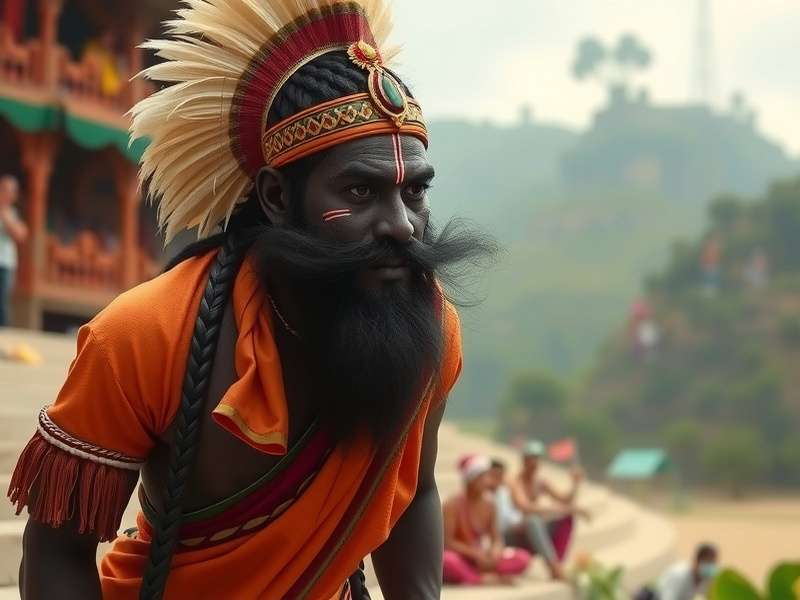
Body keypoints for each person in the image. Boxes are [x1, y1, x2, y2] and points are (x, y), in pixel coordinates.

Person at [8, 1, 495, 598]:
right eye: (359, 191)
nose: (401, 224)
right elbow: (56, 549)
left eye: (414, 192)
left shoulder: (432, 325)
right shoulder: (143, 334)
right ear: (276, 197)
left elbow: (414, 491)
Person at [505, 441, 590, 579]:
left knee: (566, 518)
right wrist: (566, 508)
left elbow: (564, 499)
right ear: (524, 460)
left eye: (537, 459)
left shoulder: (540, 482)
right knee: (533, 520)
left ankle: (557, 563)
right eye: (531, 458)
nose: (534, 463)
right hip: (514, 533)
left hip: (534, 531)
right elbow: (525, 506)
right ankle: (553, 567)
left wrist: (575, 484)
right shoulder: (515, 481)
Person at [442, 455, 530, 586]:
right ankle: (481, 579)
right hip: (461, 557)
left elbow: (496, 538)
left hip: (482, 559)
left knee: (522, 557)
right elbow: (448, 542)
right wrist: (475, 554)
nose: (487, 481)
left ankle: (476, 575)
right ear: (470, 479)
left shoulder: (490, 505)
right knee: (447, 561)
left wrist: (495, 552)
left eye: (487, 477)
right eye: (482, 477)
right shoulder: (452, 505)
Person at [0, 175, 28, 327]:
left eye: (10, 191)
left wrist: (5, 216)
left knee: (2, 301)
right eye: (3, 189)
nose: (6, 193)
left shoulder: (14, 214)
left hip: (5, 263)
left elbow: (21, 234)